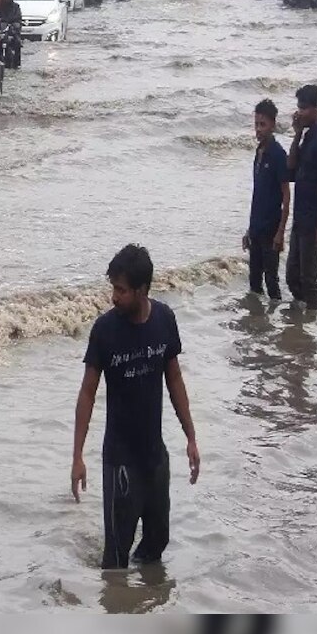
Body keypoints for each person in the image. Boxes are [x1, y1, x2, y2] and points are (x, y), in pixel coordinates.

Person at [72, 244, 201, 570]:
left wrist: (191, 437)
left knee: (157, 542)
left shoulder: (164, 320)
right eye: (113, 287)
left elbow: (174, 379)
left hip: (154, 456)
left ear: (143, 290)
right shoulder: (105, 330)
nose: (114, 296)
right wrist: (77, 456)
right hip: (120, 462)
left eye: (121, 290)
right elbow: (88, 392)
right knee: (116, 558)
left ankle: (145, 601)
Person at [286, 84, 317, 310]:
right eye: (298, 107)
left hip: (315, 223)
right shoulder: (307, 137)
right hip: (300, 220)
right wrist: (296, 134)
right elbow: (291, 167)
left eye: (303, 108)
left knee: (308, 280)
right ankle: (302, 321)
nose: (299, 112)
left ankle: (311, 328)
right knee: (292, 277)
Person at [242, 99, 290, 300]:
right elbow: (258, 195)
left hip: (271, 230)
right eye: (256, 124)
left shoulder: (278, 155)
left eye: (263, 124)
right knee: (254, 280)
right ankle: (258, 322)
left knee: (271, 280)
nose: (258, 129)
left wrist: (280, 233)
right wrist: (249, 230)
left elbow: (286, 197)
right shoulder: (258, 151)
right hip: (256, 227)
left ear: (273, 125)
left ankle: (279, 326)